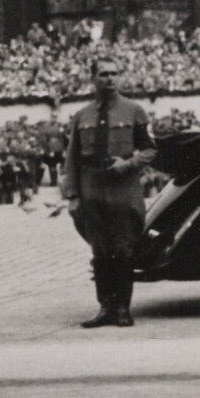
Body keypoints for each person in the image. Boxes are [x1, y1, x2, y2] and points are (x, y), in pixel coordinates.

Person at [60, 56, 157, 328]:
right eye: (103, 74)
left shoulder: (134, 111)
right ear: (93, 79)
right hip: (92, 188)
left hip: (123, 189)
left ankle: (123, 309)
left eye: (114, 74)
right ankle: (105, 308)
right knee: (100, 251)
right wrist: (73, 196)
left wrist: (127, 164)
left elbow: (150, 149)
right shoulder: (81, 116)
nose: (110, 79)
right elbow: (72, 159)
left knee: (124, 250)